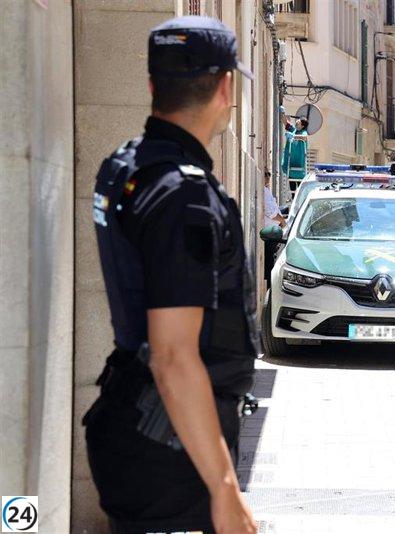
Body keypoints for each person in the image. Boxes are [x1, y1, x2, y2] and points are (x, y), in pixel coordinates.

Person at [84, 15, 259, 534]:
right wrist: (225, 490)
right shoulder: (183, 194)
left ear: (152, 85)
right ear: (226, 86)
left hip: (143, 431)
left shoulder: (127, 166)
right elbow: (174, 356)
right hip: (171, 453)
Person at [262, 172, 285, 282]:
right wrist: (282, 221)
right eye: (266, 174)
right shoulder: (264, 191)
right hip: (270, 235)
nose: (268, 177)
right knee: (271, 266)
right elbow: (271, 212)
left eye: (268, 175)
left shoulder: (266, 190)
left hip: (273, 234)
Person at [280, 114, 309, 185]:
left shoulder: (303, 132)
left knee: (299, 186)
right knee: (292, 184)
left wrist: (293, 136)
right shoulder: (293, 130)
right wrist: (282, 113)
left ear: (302, 126)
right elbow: (286, 123)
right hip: (290, 162)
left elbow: (304, 137)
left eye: (299, 122)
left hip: (299, 164)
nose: (297, 122)